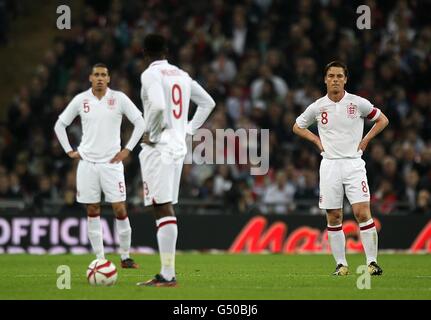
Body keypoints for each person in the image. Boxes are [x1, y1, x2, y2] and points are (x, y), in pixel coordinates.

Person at [293, 61, 389, 276]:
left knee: (361, 212)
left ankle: (372, 263)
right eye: (331, 76)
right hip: (329, 166)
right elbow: (297, 126)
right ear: (325, 79)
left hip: (354, 164)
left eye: (339, 76)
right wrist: (316, 140)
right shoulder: (317, 106)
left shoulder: (358, 103)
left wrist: (366, 140)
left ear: (345, 79)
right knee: (334, 216)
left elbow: (382, 120)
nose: (335, 79)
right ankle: (341, 264)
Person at [136, 34, 216, 287]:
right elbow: (208, 103)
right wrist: (188, 130)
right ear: (166, 50)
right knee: (164, 205)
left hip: (160, 147)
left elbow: (158, 106)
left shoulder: (150, 75)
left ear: (144, 53)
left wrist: (156, 134)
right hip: (177, 145)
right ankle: (166, 273)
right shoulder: (181, 74)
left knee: (161, 206)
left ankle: (168, 274)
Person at [54, 63, 145, 268]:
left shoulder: (119, 99)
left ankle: (125, 256)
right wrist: (69, 150)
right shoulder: (81, 100)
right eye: (96, 75)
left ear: (109, 78)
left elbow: (141, 122)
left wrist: (128, 149)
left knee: (120, 208)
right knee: (92, 209)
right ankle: (100, 258)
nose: (100, 78)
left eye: (104, 74)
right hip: (87, 163)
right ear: (90, 78)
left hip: (112, 163)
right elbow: (59, 125)